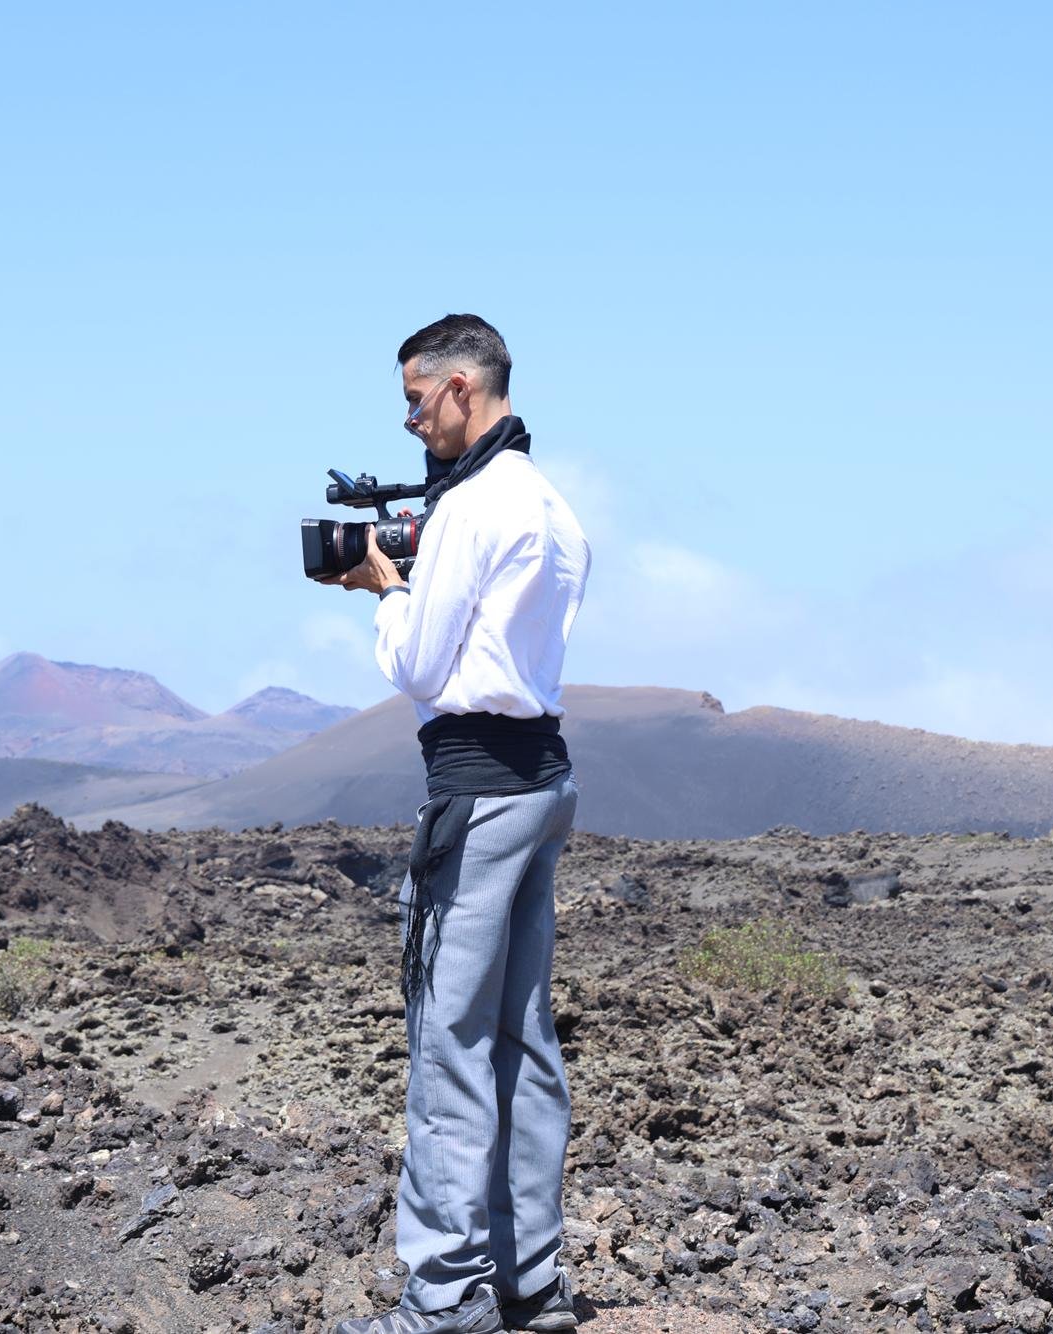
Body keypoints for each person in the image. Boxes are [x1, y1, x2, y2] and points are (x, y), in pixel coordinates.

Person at [322, 314, 591, 1334]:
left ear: (461, 387)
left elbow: (421, 664)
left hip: (473, 794)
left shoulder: (474, 508)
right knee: (523, 1038)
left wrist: (387, 588)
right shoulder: (553, 505)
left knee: (448, 1042)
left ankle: (443, 1294)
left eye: (414, 400)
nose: (410, 421)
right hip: (542, 782)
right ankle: (531, 1279)